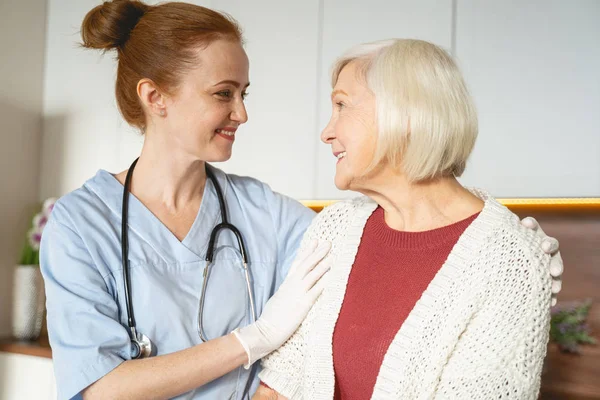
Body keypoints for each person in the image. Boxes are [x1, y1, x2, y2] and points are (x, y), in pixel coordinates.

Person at [39, 2, 562, 399]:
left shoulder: (269, 215)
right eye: (224, 93)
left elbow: (396, 243)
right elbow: (97, 388)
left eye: (246, 93)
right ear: (156, 99)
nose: (242, 113)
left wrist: (513, 250)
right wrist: (253, 339)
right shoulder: (82, 225)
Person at [255, 39, 561, 399]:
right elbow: (282, 381)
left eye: (342, 105)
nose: (327, 132)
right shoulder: (335, 227)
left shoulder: (510, 261)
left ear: (407, 115)